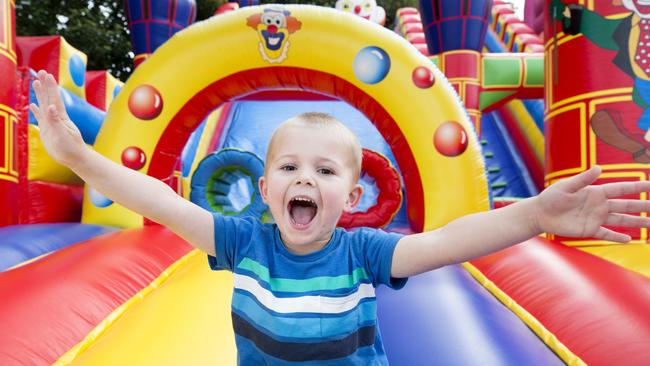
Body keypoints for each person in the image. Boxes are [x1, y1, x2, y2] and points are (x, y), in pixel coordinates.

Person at [30, 70, 650, 364]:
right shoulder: (242, 241)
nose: (306, 178)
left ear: (352, 199)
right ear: (265, 187)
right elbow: (156, 200)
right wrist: (79, 157)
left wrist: (535, 212)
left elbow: (453, 241)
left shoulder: (362, 252)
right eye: (290, 168)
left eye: (326, 173)